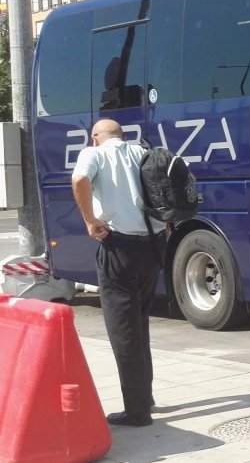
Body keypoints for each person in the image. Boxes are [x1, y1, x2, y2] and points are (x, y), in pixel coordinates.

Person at [71, 119, 166, 427]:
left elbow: (79, 179)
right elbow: (177, 183)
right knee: (139, 321)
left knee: (123, 329)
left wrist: (90, 220)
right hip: (154, 246)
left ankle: (137, 411)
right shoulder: (143, 152)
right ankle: (144, 397)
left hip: (120, 248)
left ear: (95, 138)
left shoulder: (94, 153)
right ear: (123, 136)